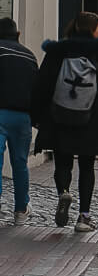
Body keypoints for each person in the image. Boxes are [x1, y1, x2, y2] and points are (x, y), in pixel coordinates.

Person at [32, 12, 98, 232]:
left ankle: (64, 191)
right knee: (87, 166)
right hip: (92, 121)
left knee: (62, 160)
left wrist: (36, 116)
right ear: (92, 30)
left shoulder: (58, 51)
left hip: (60, 118)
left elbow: (42, 85)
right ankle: (83, 217)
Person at [0, 17, 38, 225]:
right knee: (20, 163)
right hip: (23, 117)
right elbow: (37, 89)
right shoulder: (29, 56)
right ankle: (21, 210)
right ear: (18, 35)